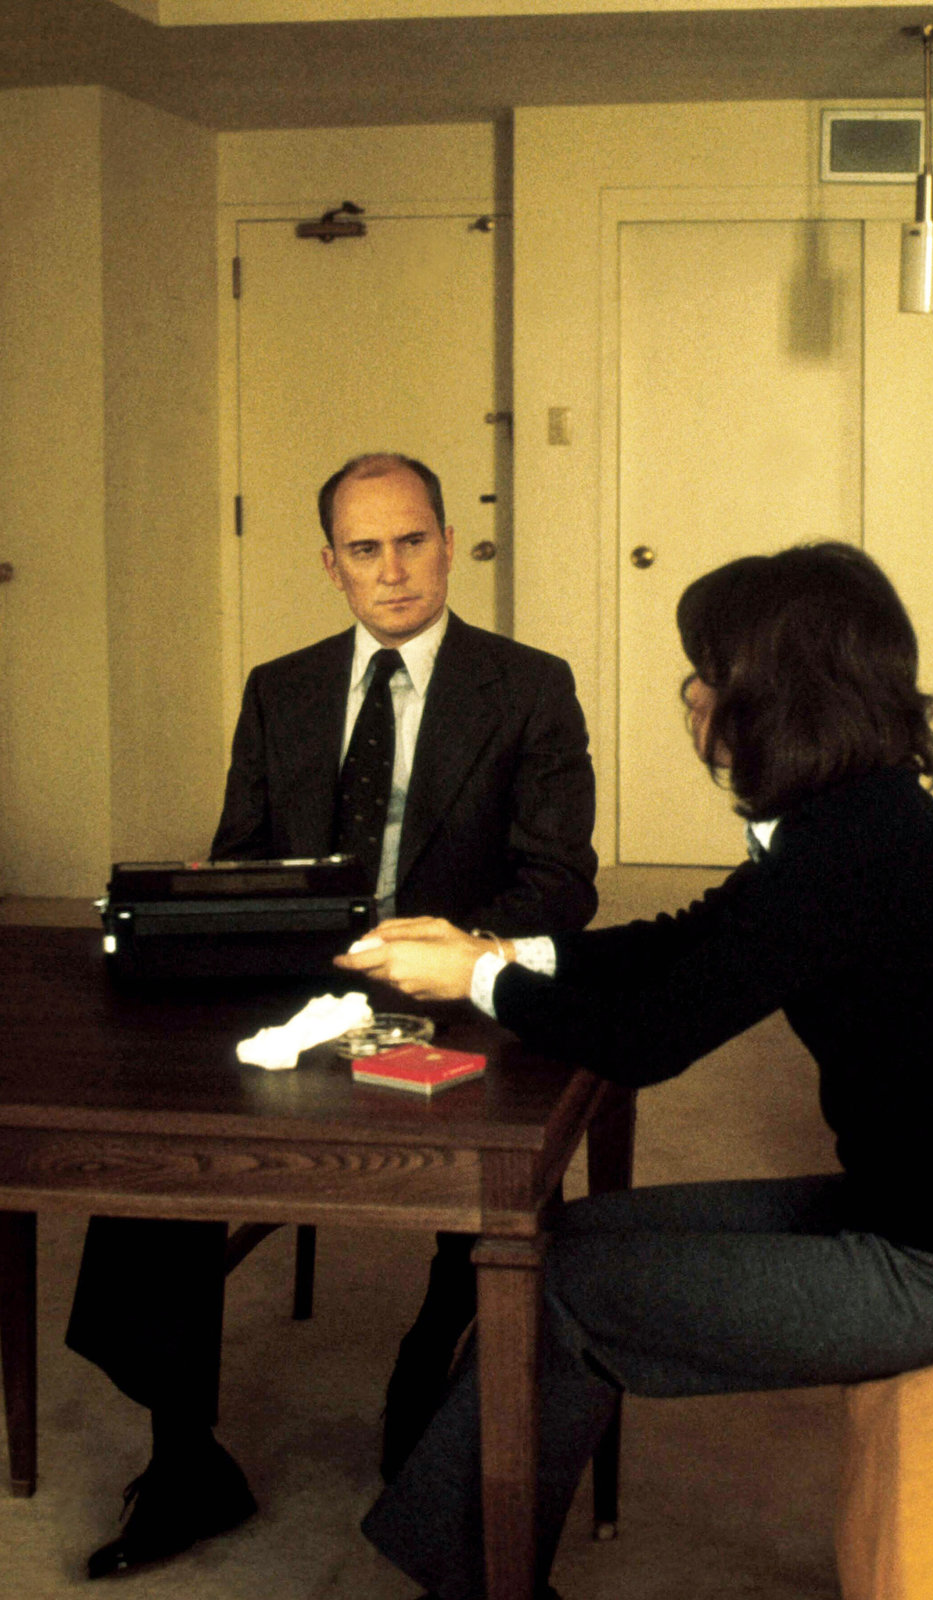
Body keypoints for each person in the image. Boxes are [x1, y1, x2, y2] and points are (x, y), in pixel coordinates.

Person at [337, 541, 933, 1600]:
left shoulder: (849, 852)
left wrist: (478, 982)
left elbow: (652, 1036)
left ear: (781, 698)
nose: (690, 692)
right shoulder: (854, 819)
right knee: (571, 1238)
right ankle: (472, 1558)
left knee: (565, 1287)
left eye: (709, 672)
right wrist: (496, 950)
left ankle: (469, 1579)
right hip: (912, 1214)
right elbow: (686, 940)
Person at [67, 452, 598, 1580]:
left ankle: (429, 1365)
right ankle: (184, 1456)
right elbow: (245, 859)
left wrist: (443, 952)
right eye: (365, 549)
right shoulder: (282, 688)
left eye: (411, 541)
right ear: (331, 565)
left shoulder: (529, 686)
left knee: (492, 1143)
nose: (392, 569)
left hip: (452, 982)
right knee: (155, 1133)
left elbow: (560, 884)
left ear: (448, 544)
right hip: (300, 984)